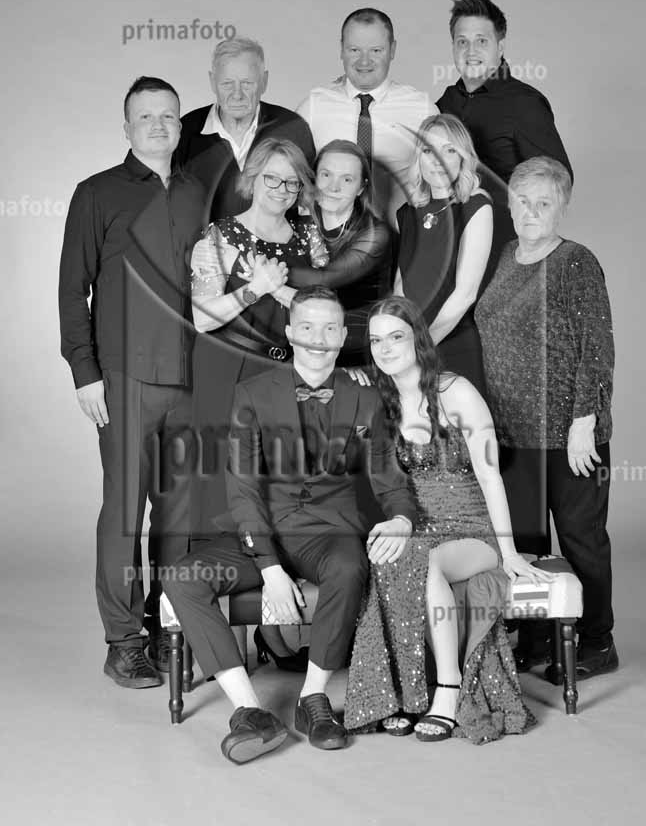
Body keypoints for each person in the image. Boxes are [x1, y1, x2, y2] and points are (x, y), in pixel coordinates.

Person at [163, 286, 417, 763]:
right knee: (182, 578)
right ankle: (249, 712)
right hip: (260, 531)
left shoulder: (366, 400)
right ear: (289, 333)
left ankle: (312, 700)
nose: (318, 338)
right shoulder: (252, 394)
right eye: (307, 327)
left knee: (349, 566)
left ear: (342, 337)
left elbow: (390, 480)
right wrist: (269, 567)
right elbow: (242, 488)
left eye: (329, 328)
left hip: (328, 532)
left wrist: (402, 517)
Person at [344, 297, 549, 743]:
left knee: (425, 560)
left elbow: (490, 475)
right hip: (420, 526)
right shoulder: (381, 402)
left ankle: (449, 689)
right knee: (389, 555)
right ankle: (400, 694)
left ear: (418, 339)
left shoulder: (456, 392)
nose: (384, 348)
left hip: (473, 530)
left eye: (396, 337)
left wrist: (509, 551)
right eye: (376, 340)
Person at [58, 76, 205, 687]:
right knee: (124, 511)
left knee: (179, 514)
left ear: (180, 124)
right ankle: (123, 641)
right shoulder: (96, 193)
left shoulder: (199, 192)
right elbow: (73, 290)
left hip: (191, 377)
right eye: (146, 117)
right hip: (123, 377)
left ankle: (168, 625)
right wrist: (84, 372)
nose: (158, 125)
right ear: (127, 127)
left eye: (168, 116)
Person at [475, 157, 617, 680]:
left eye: (544, 203)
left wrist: (585, 421)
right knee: (527, 543)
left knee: (581, 539)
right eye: (523, 201)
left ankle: (597, 642)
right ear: (509, 204)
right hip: (513, 434)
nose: (532, 211)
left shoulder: (576, 262)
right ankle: (536, 640)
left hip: (568, 434)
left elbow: (596, 348)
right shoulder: (505, 256)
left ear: (562, 208)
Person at [187, 138, 318, 547]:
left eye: (292, 183)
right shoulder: (219, 237)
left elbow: (322, 312)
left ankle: (275, 573)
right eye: (271, 178)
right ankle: (217, 571)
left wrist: (281, 292)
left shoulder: (311, 237)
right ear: (252, 178)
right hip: (228, 367)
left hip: (286, 370)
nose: (281, 190)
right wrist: (255, 288)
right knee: (221, 476)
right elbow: (202, 319)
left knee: (281, 477)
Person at [436, 0, 572, 277]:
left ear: (500, 46)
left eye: (481, 41)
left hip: (506, 256)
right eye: (462, 41)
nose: (471, 50)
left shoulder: (524, 103)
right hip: (451, 250)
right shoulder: (446, 102)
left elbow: (558, 180)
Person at [297, 8, 437, 226]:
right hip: (330, 238)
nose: (364, 61)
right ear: (341, 50)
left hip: (400, 237)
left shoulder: (422, 109)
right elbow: (293, 178)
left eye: (376, 50)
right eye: (354, 50)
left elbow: (441, 183)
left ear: (392, 50)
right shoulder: (313, 107)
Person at [395, 113, 493, 393]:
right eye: (428, 150)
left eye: (449, 150)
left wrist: (422, 348)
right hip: (409, 345)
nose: (437, 160)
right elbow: (401, 286)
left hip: (450, 343)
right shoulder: (408, 213)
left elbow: (466, 294)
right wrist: (397, 340)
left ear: (463, 158)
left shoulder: (475, 206)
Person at [177, 36, 315, 223]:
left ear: (264, 81)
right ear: (212, 81)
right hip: (204, 242)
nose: (237, 94)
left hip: (280, 241)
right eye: (227, 84)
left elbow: (308, 204)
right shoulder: (186, 132)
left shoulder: (292, 128)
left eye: (247, 83)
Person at [286, 139, 392, 364]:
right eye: (326, 175)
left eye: (347, 179)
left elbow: (322, 282)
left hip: (354, 348)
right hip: (301, 341)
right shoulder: (295, 217)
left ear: (361, 188)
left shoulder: (375, 234)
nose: (333, 187)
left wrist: (266, 276)